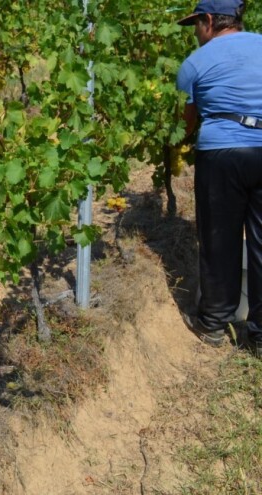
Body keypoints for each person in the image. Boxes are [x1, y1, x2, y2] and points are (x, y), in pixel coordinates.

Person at [175, 0, 262, 356]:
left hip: (221, 152)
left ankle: (212, 324)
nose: (196, 33)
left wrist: (177, 142)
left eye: (196, 24)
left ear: (209, 21)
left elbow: (186, 122)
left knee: (218, 237)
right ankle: (260, 337)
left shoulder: (195, 62)